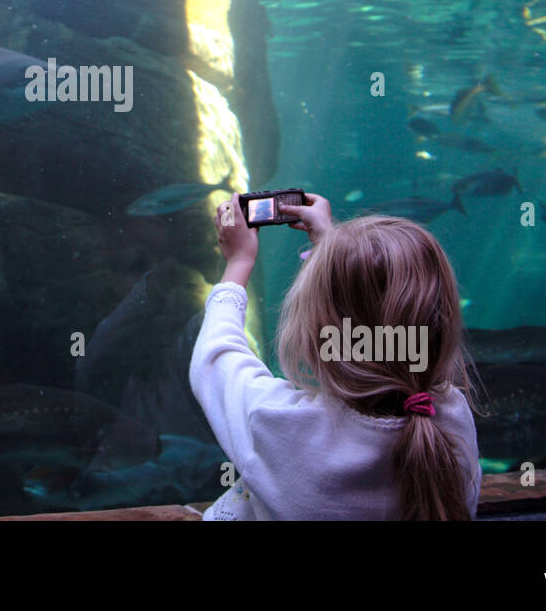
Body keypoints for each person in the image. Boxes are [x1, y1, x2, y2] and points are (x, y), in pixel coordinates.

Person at [189, 192, 481, 520]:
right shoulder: (449, 420)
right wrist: (331, 245)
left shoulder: (280, 423)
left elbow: (216, 355)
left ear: (315, 336)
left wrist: (239, 261)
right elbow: (380, 326)